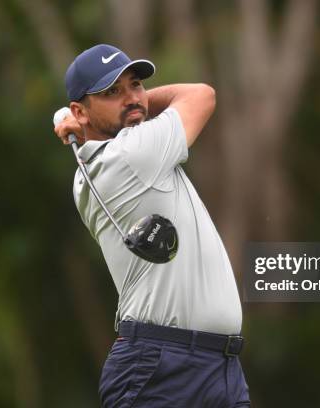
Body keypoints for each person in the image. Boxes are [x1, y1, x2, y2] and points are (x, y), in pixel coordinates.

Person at [54, 44, 250, 407]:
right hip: (162, 368)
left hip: (215, 367)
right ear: (79, 111)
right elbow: (201, 95)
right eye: (112, 92)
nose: (131, 99)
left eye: (136, 86)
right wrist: (132, 107)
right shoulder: (133, 154)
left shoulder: (108, 161)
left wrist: (93, 118)